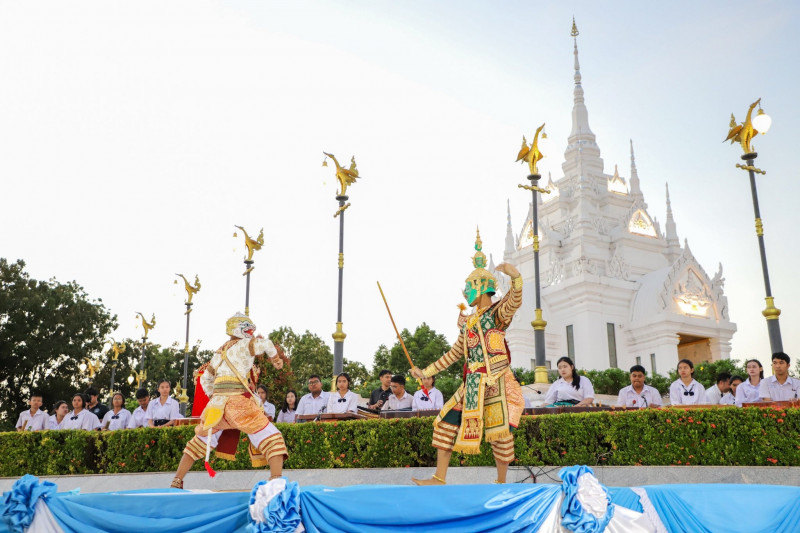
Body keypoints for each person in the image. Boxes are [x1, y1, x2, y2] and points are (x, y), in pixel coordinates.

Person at [410, 231, 524, 486]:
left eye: (470, 287)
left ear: (482, 286)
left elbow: (514, 301)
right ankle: (439, 477)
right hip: (472, 382)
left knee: (500, 433)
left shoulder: (497, 314)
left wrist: (516, 277)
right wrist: (425, 372)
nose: (466, 292)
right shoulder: (467, 322)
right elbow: (454, 354)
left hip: (496, 379)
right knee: (444, 422)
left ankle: (501, 482)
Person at [171, 313, 288, 489]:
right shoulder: (245, 344)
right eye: (248, 328)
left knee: (200, 441)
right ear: (238, 329)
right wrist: (276, 359)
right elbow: (267, 344)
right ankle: (276, 482)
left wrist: (214, 395)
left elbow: (205, 379)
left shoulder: (219, 353)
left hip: (216, 406)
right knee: (273, 437)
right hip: (239, 403)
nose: (251, 332)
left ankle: (177, 480)